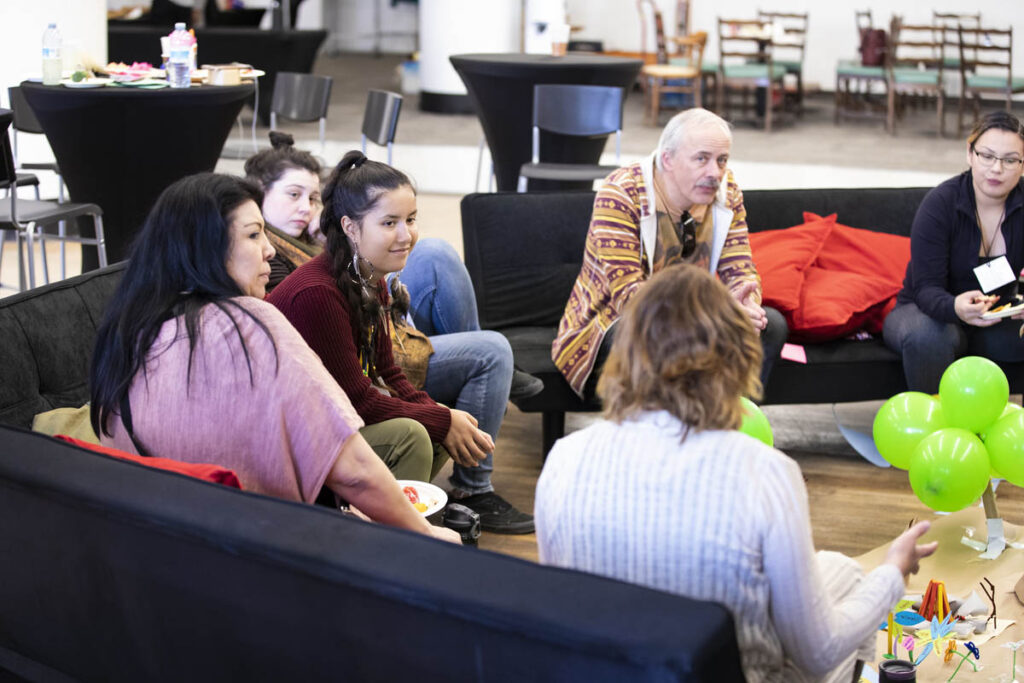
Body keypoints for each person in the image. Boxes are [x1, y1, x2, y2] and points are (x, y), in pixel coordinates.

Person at [536, 264, 937, 683]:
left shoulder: (564, 458)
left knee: (835, 567)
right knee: (854, 578)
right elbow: (820, 653)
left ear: (628, 353)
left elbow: (560, 617)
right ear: (735, 358)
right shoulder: (766, 472)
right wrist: (892, 573)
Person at [89, 172, 459, 544]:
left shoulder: (126, 334)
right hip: (261, 546)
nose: (270, 249)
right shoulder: (253, 321)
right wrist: (425, 535)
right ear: (207, 247)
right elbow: (353, 470)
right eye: (253, 235)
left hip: (154, 544)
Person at [268, 151, 535, 534]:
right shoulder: (318, 292)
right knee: (413, 435)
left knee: (441, 428)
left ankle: (391, 518)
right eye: (389, 222)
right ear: (350, 227)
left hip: (331, 422)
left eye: (410, 220)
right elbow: (356, 399)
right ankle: (389, 542)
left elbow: (388, 371)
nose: (406, 235)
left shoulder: (368, 276)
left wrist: (443, 417)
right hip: (294, 443)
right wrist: (440, 418)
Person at [244, 135, 542, 400]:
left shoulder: (310, 238)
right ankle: (494, 369)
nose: (305, 209)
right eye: (293, 195)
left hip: (385, 326)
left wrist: (325, 234)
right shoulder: (272, 256)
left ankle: (495, 369)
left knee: (433, 253)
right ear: (260, 193)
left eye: (312, 198)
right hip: (357, 351)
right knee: (492, 351)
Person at [552, 107, 787, 400]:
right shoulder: (622, 194)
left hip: (695, 321)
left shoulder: (727, 192)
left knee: (769, 324)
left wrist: (745, 303)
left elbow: (741, 270)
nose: (714, 172)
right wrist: (715, 315)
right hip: (608, 330)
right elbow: (631, 298)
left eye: (721, 160)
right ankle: (666, 437)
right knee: (641, 334)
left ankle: (728, 428)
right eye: (701, 158)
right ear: (668, 159)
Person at [884, 111, 1024, 393]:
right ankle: (937, 431)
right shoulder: (941, 203)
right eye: (987, 156)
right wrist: (955, 307)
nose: (996, 169)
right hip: (926, 312)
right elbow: (925, 289)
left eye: (1009, 160)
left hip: (994, 317)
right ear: (970, 154)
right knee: (931, 335)